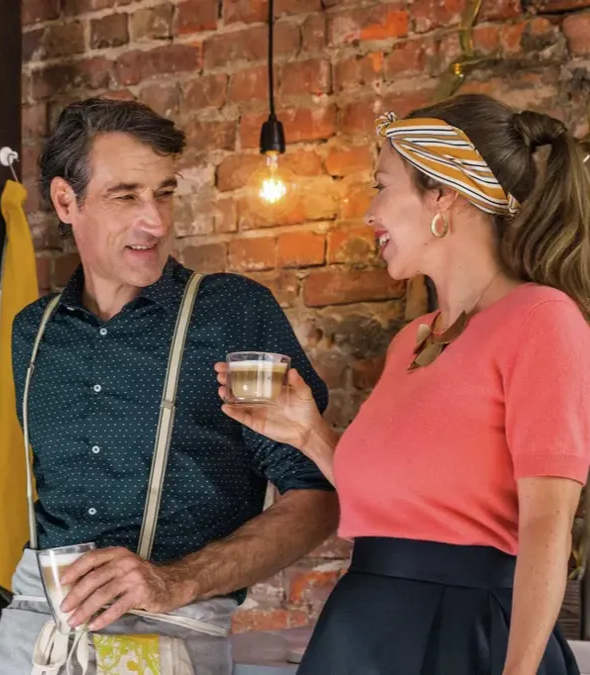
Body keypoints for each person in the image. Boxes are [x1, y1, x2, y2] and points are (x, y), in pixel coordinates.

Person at [216, 92, 590, 675]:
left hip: (465, 636)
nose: (370, 212)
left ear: (443, 194)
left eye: (381, 186)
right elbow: (402, 508)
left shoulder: (542, 319)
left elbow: (548, 524)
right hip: (362, 630)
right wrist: (309, 434)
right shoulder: (412, 340)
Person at [0, 96, 339, 675]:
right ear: (66, 201)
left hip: (170, 641)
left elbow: (318, 497)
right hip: (32, 639)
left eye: (164, 193)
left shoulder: (232, 314)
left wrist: (177, 580)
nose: (155, 221)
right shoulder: (33, 330)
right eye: (126, 196)